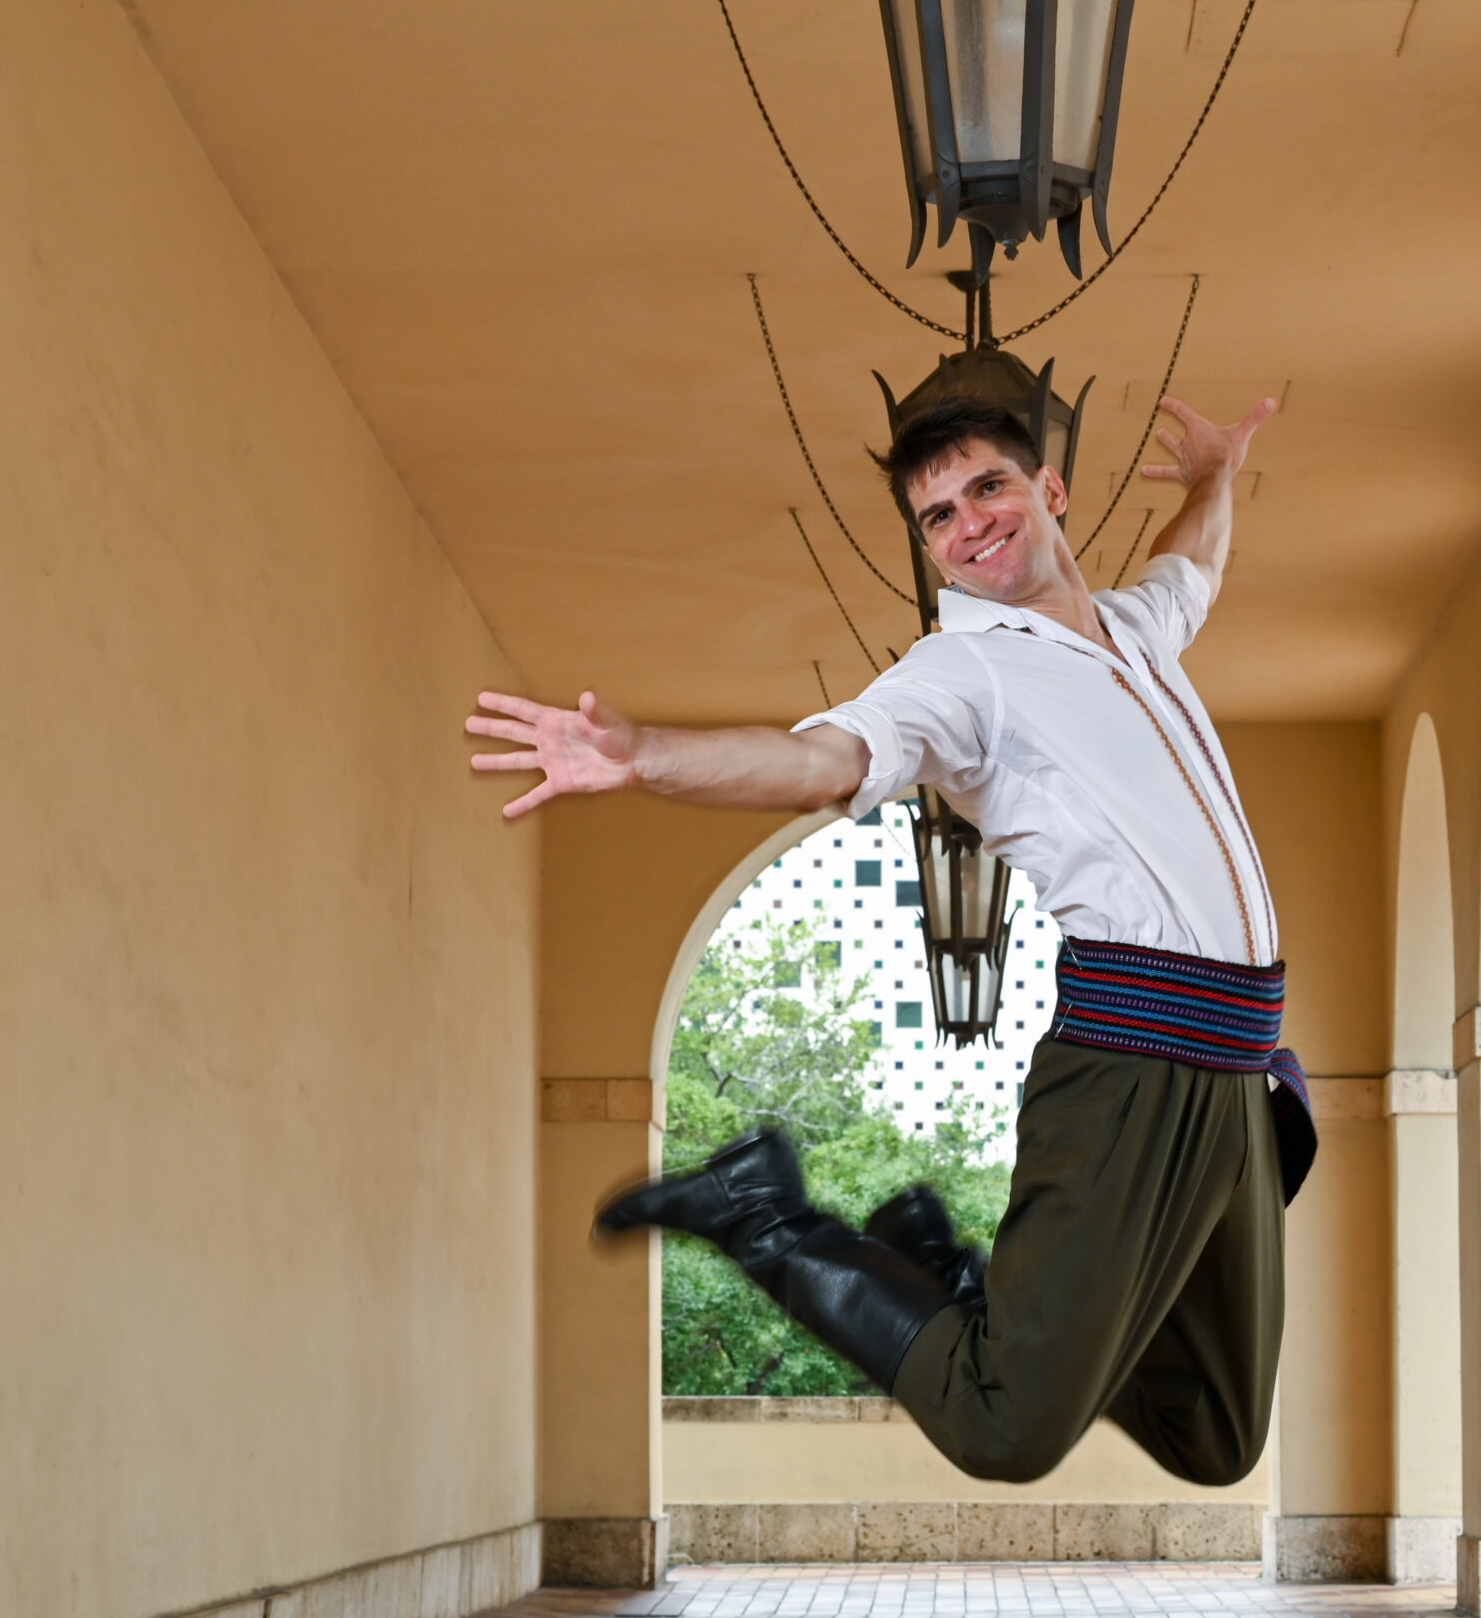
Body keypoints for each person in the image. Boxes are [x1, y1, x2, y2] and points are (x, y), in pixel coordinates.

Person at [465, 391, 1311, 1486]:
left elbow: (1189, 567)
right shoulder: (961, 674)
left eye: (988, 488)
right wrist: (649, 756)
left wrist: (1215, 475)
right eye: (938, 518)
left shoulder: (1134, 632)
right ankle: (761, 1212)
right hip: (1134, 1062)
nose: (970, 525)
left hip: (1239, 1068)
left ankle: (949, 1282)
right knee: (1004, 1428)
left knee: (1219, 1435)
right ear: (933, 551)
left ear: (1051, 493)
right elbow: (821, 760)